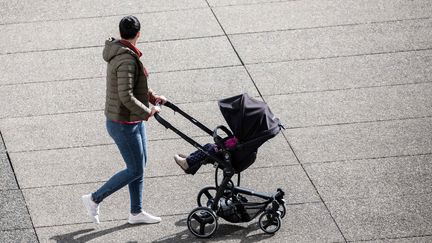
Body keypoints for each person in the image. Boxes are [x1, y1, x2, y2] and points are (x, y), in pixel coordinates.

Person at [82, 16, 167, 225]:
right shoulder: (127, 58)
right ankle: (94, 198)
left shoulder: (123, 52)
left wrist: (153, 97)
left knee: (139, 166)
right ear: (139, 33)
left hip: (131, 120)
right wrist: (148, 112)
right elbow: (126, 95)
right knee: (135, 169)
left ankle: (136, 212)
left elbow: (137, 85)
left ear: (121, 33)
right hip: (123, 124)